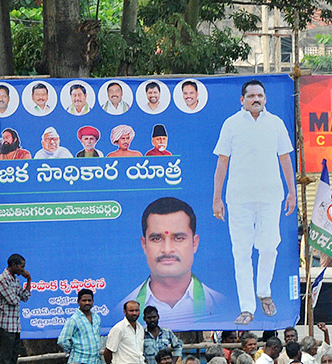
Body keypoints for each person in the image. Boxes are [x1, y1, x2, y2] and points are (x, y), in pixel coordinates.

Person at [212, 79, 297, 324]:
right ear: (242, 100)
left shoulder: (276, 124)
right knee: (241, 252)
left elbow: (285, 160)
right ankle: (247, 306)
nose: (256, 99)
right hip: (238, 199)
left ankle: (264, 292)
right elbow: (222, 163)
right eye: (251, 96)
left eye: (260, 95)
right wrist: (217, 198)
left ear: (265, 98)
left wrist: (292, 192)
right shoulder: (231, 125)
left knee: (269, 246)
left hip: (271, 197)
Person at [122, 198, 226, 330]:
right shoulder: (124, 308)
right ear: (144, 245)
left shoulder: (219, 304)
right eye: (156, 238)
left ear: (195, 243)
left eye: (178, 238)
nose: (166, 249)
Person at [0, 254, 31, 364]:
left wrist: (29, 280)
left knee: (14, 356)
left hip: (15, 325)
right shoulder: (2, 279)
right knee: (4, 357)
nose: (23, 269)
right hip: (4, 324)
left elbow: (25, 297)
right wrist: (19, 295)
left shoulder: (15, 280)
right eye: (21, 266)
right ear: (14, 265)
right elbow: (13, 300)